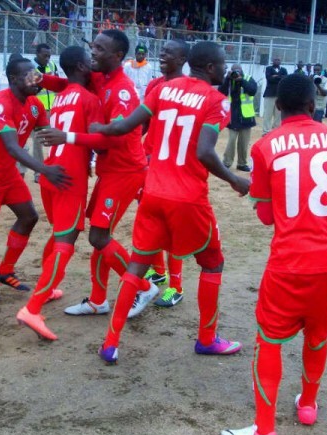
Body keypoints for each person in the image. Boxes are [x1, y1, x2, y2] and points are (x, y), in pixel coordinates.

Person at [85, 41, 251, 365]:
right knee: (213, 263)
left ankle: (110, 343)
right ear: (213, 68)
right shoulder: (216, 100)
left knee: (137, 265)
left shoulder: (164, 89)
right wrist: (235, 180)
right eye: (225, 63)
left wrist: (99, 128)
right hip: (188, 198)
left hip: (153, 191)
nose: (227, 68)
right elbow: (204, 152)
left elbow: (124, 127)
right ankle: (206, 339)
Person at [221, 74, 327, 435]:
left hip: (291, 262)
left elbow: (265, 217)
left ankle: (264, 432)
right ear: (314, 105)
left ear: (278, 107)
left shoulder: (266, 146)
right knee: (318, 334)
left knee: (270, 341)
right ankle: (308, 405)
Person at [38, 29, 156, 318]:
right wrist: (39, 79)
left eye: (101, 49)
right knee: (101, 236)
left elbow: (113, 139)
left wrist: (68, 137)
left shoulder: (123, 90)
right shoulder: (99, 77)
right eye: (93, 46)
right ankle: (98, 300)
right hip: (109, 171)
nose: (94, 52)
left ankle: (143, 286)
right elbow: (68, 81)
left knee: (99, 237)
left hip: (126, 171)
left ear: (118, 56)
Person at [0, 57, 71, 304]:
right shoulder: (0, 104)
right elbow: (12, 146)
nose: (37, 80)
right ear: (13, 79)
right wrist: (44, 169)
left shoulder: (34, 104)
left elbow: (48, 135)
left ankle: (4, 271)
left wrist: (80, 144)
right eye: (30, 76)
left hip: (7, 171)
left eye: (37, 75)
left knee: (29, 216)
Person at [16, 46, 104, 339]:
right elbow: (101, 141)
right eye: (90, 60)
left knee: (57, 234)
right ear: (81, 66)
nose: (94, 63)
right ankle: (33, 308)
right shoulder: (89, 98)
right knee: (66, 241)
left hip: (50, 175)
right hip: (69, 178)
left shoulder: (62, 96)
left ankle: (50, 287)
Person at [142, 38, 190, 308]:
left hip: (176, 170)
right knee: (152, 222)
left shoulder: (192, 90)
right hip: (151, 165)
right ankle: (158, 272)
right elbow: (143, 123)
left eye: (168, 53)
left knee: (173, 230)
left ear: (182, 59)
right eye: (161, 52)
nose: (162, 55)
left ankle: (177, 286)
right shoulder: (155, 86)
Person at [219, 63, 257, 172]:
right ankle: (226, 163)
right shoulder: (229, 80)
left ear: (241, 70)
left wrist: (241, 81)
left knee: (244, 142)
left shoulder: (248, 78)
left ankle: (242, 163)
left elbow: (252, 91)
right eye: (234, 70)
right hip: (233, 115)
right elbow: (221, 92)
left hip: (246, 116)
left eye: (238, 70)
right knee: (231, 140)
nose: (236, 72)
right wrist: (227, 78)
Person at [32, 44, 59, 183]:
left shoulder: (53, 66)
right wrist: (43, 82)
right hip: (37, 110)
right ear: (37, 54)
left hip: (52, 109)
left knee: (55, 138)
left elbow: (58, 85)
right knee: (38, 142)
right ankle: (38, 172)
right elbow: (30, 90)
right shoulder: (30, 69)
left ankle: (53, 166)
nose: (47, 59)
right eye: (45, 56)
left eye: (49, 56)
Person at [262, 57, 287, 135]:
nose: (277, 61)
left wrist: (275, 76)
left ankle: (277, 131)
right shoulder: (268, 68)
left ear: (280, 61)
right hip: (269, 94)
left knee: (278, 114)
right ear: (272, 61)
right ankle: (266, 131)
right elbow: (269, 79)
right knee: (267, 114)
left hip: (280, 95)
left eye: (278, 59)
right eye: (275, 59)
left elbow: (285, 79)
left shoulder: (284, 70)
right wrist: (280, 77)